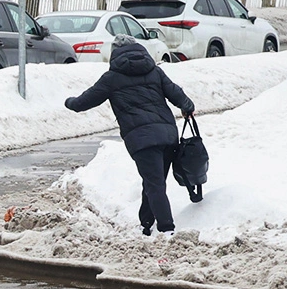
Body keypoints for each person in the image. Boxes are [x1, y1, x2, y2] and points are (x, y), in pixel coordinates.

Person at [64, 34, 195, 237]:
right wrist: (188, 106)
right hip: (168, 135)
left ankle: (167, 231)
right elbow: (176, 93)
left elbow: (84, 102)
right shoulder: (155, 71)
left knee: (154, 184)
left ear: (115, 52)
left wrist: (69, 102)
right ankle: (146, 224)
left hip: (142, 139)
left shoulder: (112, 78)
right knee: (153, 182)